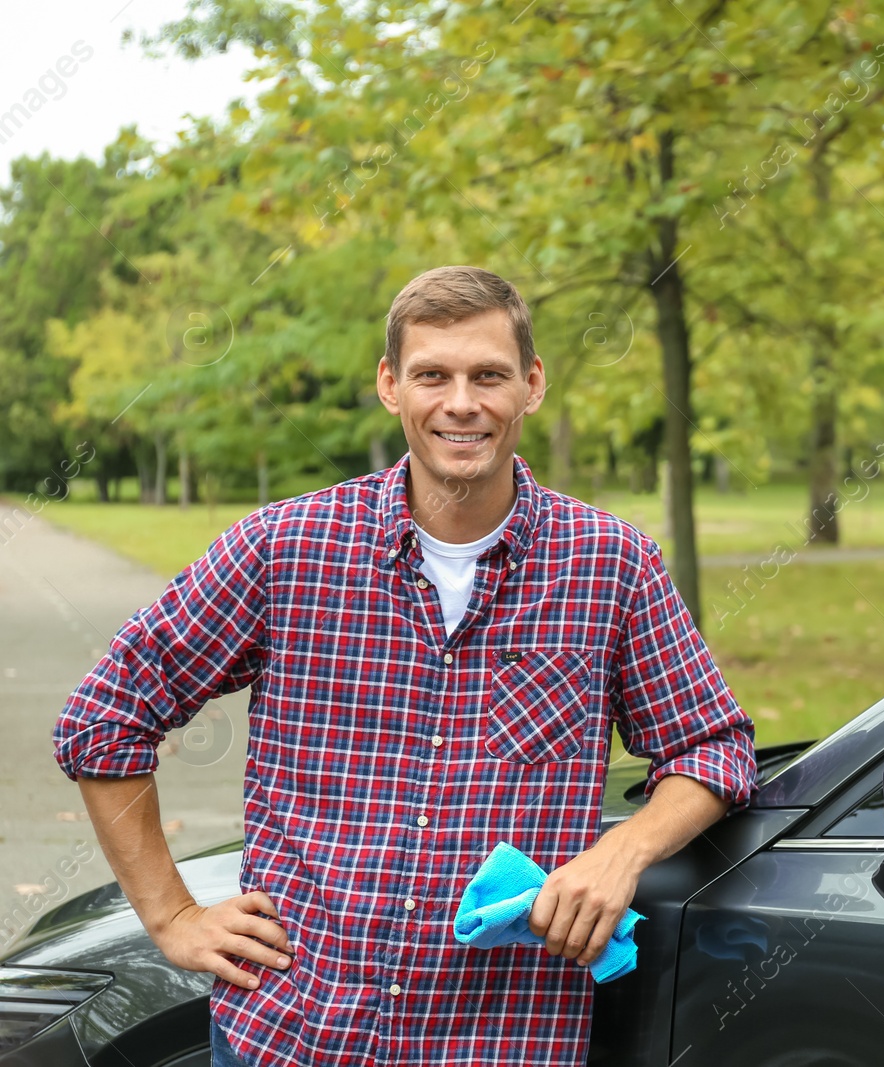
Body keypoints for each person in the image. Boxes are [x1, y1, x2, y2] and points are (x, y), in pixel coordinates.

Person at [53, 265, 758, 1067]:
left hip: (500, 1041)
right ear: (391, 386)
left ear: (532, 384)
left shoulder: (610, 565)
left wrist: (618, 852)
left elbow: (715, 747)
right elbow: (104, 718)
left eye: (488, 374)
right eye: (433, 375)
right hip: (293, 1034)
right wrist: (173, 915)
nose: (462, 402)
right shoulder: (285, 549)